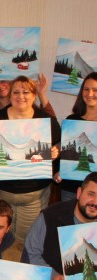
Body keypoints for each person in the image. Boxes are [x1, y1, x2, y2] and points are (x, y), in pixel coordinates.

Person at [0, 75, 61, 244]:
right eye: (16, 92)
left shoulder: (48, 122)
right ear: (10, 95)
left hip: (33, 196)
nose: (21, 96)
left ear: (34, 95)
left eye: (26, 92)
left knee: (28, 241)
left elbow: (61, 146)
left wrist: (56, 151)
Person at [22, 172, 97, 280]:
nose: (95, 202)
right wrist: (52, 277)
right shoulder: (50, 216)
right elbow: (31, 254)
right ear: (79, 193)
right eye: (91, 194)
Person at [55, 72, 97, 201]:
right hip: (70, 188)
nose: (90, 94)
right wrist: (60, 171)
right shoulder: (71, 120)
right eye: (86, 89)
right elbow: (64, 151)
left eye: (95, 90)